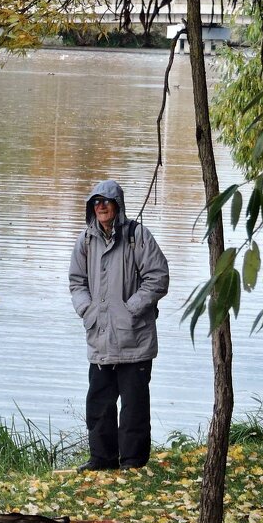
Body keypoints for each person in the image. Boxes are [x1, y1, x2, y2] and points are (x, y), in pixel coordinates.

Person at [69, 179, 170, 471]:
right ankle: (102, 460)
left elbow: (158, 277)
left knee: (134, 408)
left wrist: (131, 309)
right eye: (96, 202)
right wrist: (86, 309)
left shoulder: (138, 236)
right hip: (99, 336)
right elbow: (76, 282)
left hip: (134, 338)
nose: (101, 206)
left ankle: (133, 463)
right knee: (99, 404)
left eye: (106, 201)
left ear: (118, 205)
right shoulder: (85, 240)